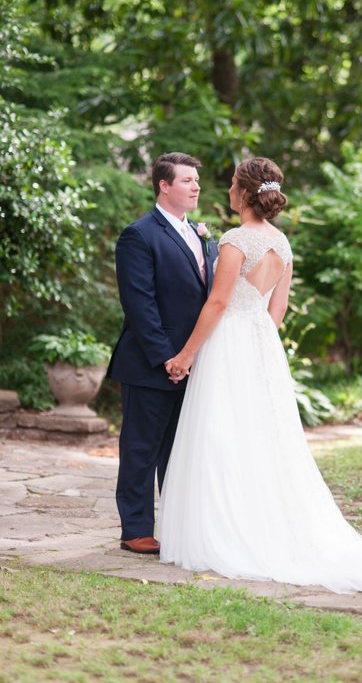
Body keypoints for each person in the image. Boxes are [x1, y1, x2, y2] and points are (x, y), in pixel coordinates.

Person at [157, 157, 362, 593]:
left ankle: (230, 530)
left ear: (246, 193)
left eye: (232, 184)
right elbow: (277, 310)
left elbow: (216, 304)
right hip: (262, 345)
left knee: (222, 433)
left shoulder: (234, 240)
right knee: (264, 436)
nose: (227, 191)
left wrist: (187, 355)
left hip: (228, 343)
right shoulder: (281, 243)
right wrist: (259, 348)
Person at [108, 152, 217, 555]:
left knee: (181, 450)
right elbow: (140, 304)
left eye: (196, 181)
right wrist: (167, 358)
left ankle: (177, 527)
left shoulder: (203, 236)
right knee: (141, 449)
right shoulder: (138, 235)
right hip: (150, 364)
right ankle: (135, 530)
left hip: (195, 362)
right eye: (187, 180)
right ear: (164, 186)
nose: (195, 186)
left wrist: (191, 357)